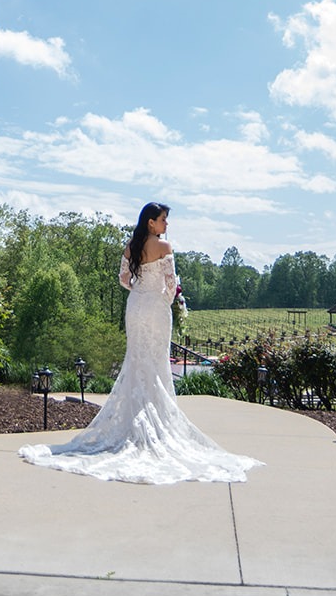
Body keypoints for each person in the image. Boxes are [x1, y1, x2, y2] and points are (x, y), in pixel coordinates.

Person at [18, 202, 261, 484]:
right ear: (151, 223)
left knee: (135, 361)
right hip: (156, 308)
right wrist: (164, 300)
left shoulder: (131, 245)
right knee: (156, 363)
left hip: (136, 307)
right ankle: (156, 426)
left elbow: (123, 279)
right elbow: (171, 286)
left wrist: (141, 291)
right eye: (163, 219)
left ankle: (129, 425)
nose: (166, 225)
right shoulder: (165, 247)